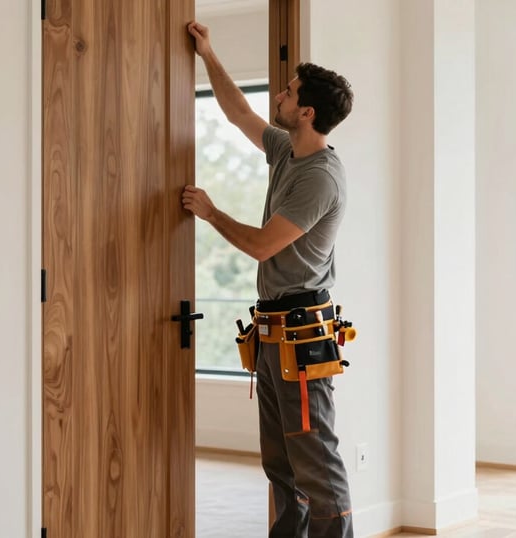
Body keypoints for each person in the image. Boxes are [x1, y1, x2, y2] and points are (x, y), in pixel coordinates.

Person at [182, 20, 354, 538]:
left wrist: (211, 213)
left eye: (290, 92)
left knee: (315, 461)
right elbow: (239, 112)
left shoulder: (319, 177)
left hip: (302, 336)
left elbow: (261, 245)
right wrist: (207, 53)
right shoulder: (286, 150)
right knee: (281, 463)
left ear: (307, 112)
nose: (280, 94)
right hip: (275, 329)